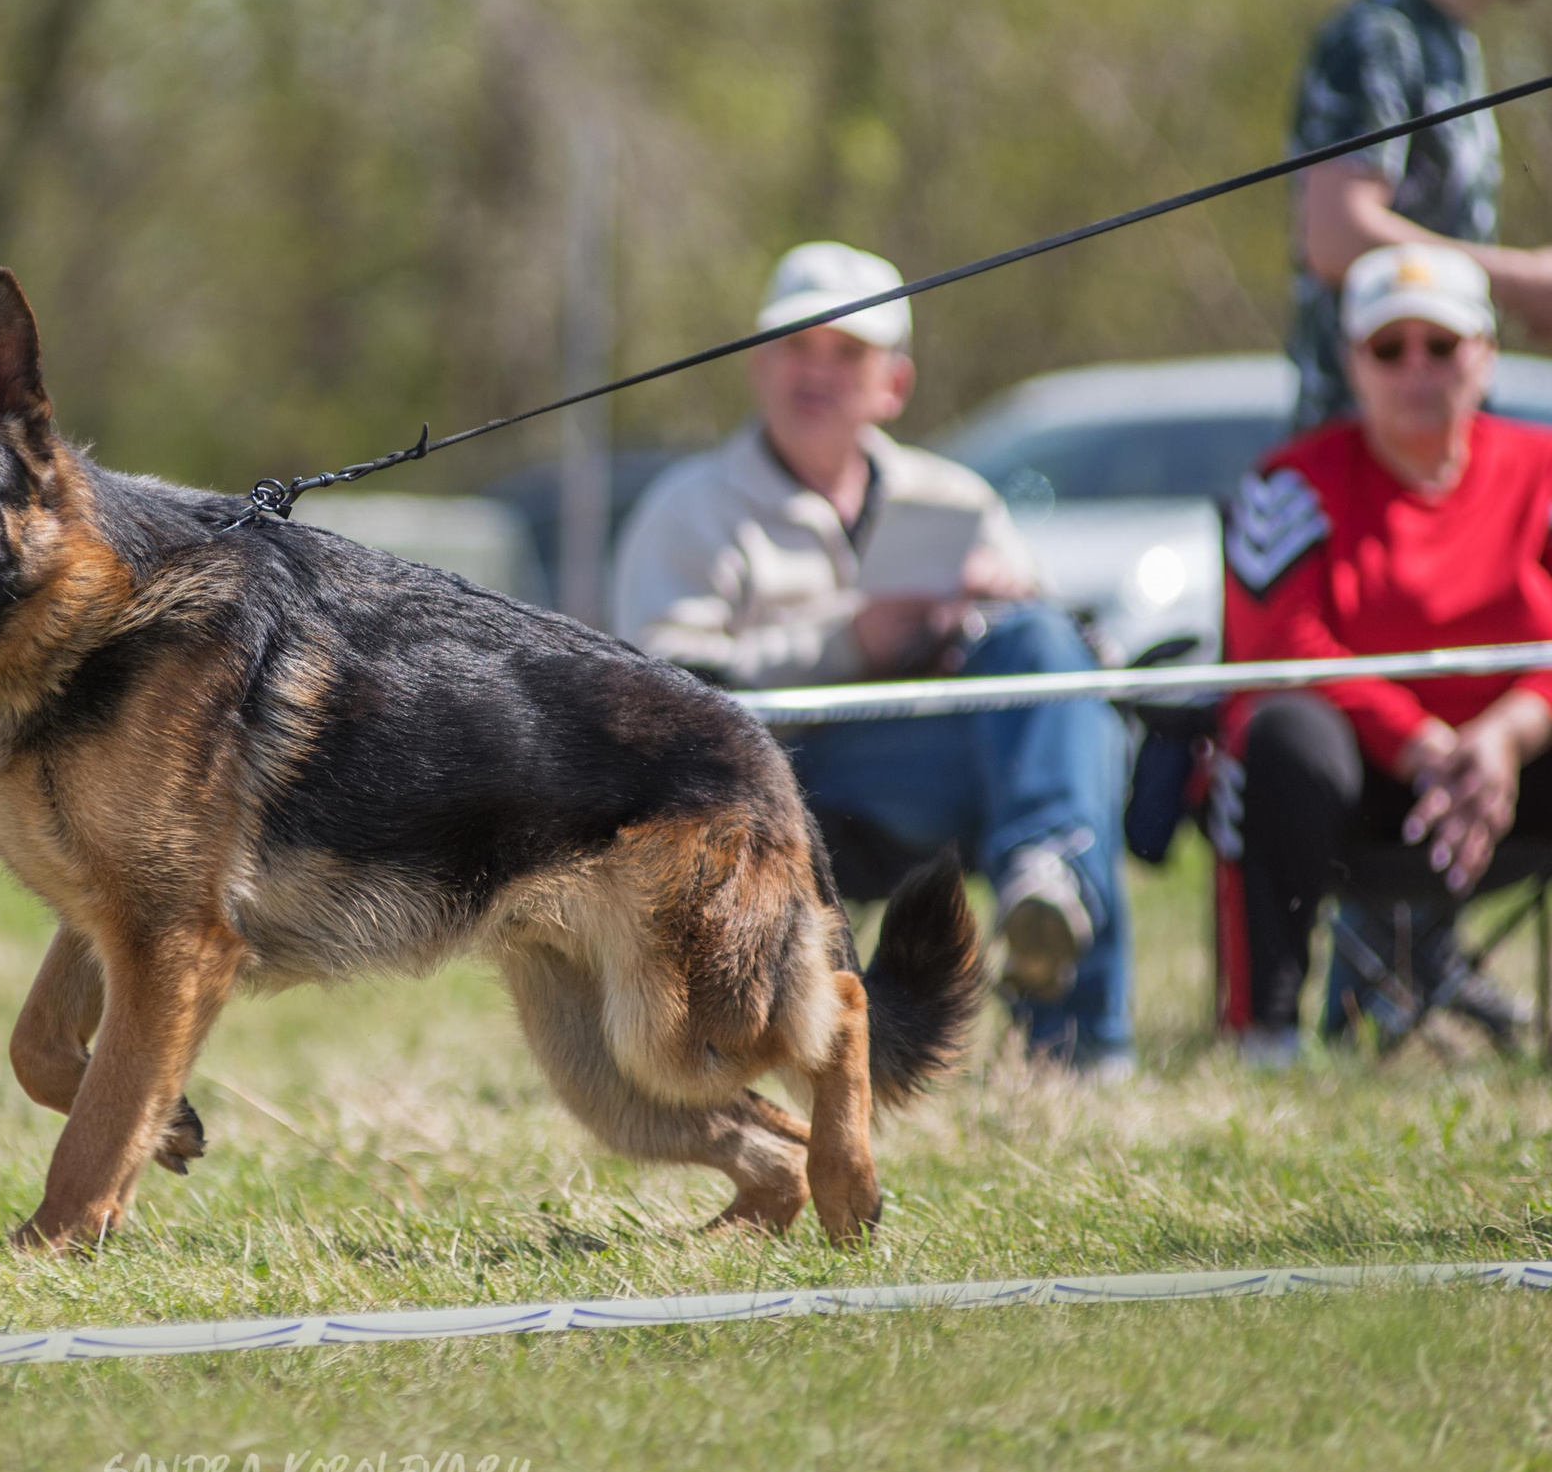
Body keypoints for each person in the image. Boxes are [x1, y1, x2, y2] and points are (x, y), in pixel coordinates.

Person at [613, 241, 1134, 1074]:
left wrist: (1004, 608)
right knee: (1074, 743)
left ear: (893, 383)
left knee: (1054, 667)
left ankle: (1052, 909)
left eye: (846, 351)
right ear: (758, 365)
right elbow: (658, 701)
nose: (813, 372)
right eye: (795, 346)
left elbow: (1039, 661)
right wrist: (851, 640)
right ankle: (1084, 1034)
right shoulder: (686, 510)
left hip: (936, 754)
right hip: (779, 781)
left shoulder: (958, 499)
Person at [1221, 245, 1544, 1064]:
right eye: (1387, 348)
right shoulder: (1288, 483)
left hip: (1519, 767)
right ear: (1349, 363)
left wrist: (1508, 732)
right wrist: (1422, 740)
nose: (1416, 370)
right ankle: (1269, 1035)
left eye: (1441, 346)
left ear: (1487, 353)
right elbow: (1280, 646)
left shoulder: (1544, 470)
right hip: (1358, 782)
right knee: (1281, 733)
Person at [1285, 0, 1552, 435]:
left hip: (1442, 450)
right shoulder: (1379, 39)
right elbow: (1335, 235)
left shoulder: (1451, 44)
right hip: (1363, 460)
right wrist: (1522, 281)